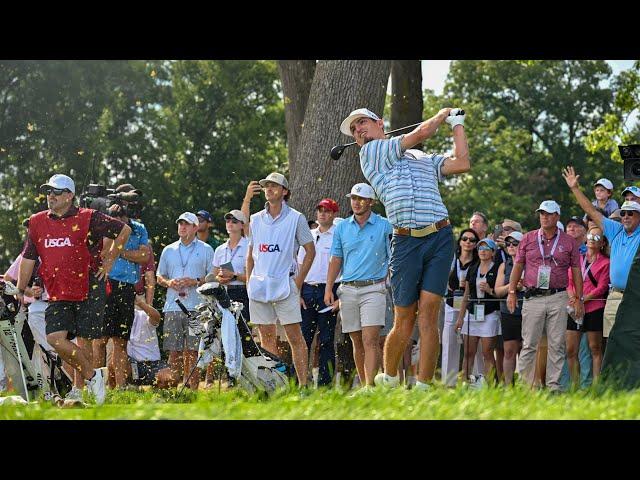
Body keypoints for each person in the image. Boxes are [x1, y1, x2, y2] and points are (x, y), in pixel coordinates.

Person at [340, 107, 470, 390]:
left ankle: (423, 386)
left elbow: (461, 163)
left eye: (361, 122)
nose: (358, 130)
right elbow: (422, 132)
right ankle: (389, 377)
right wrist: (442, 114)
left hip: (439, 236)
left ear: (379, 123)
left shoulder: (420, 156)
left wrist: (457, 124)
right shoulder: (371, 153)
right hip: (406, 242)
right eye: (353, 129)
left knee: (429, 311)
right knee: (404, 318)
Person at [16, 174, 131, 405]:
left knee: (84, 341)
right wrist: (20, 289)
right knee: (55, 339)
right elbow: (28, 257)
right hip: (58, 292)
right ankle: (93, 376)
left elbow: (124, 230)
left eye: (56, 192)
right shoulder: (37, 222)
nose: (51, 196)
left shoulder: (89, 217)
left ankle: (78, 390)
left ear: (69, 195)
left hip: (89, 285)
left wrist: (110, 261)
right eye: (48, 192)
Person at [245, 173, 315, 388]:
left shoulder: (296, 218)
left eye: (275, 186)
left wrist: (298, 282)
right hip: (259, 287)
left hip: (286, 285)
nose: (269, 189)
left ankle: (303, 386)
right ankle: (275, 386)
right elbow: (250, 254)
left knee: (295, 338)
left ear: (285, 191)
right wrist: (249, 283)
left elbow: (310, 251)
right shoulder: (256, 219)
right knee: (266, 339)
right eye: (267, 186)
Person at [506, 199, 583, 392]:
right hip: (532, 297)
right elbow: (518, 265)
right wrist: (512, 291)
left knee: (557, 344)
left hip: (558, 296)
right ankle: (527, 387)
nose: (544, 217)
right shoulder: (528, 238)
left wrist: (579, 298)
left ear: (557, 216)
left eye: (548, 213)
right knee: (529, 344)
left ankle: (554, 386)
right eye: (541, 213)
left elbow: (576, 271)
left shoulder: (568, 241)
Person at [324, 184, 392, 388]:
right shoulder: (342, 227)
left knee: (370, 339)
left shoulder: (385, 225)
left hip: (374, 288)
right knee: (356, 340)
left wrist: (386, 281)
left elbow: (393, 257)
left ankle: (371, 387)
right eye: (354, 198)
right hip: (348, 289)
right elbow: (336, 258)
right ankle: (365, 387)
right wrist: (329, 288)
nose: (356, 202)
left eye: (361, 198)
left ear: (371, 202)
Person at [563, 167, 640, 344]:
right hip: (614, 296)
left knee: (633, 343)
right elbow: (592, 211)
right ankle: (611, 374)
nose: (626, 217)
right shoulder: (616, 230)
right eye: (623, 213)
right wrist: (575, 189)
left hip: (635, 296)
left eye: (631, 213)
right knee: (612, 343)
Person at [95, 197, 151, 388]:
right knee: (100, 340)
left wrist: (119, 252)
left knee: (121, 341)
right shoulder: (105, 226)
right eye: (116, 218)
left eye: (123, 218)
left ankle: (120, 388)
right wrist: (120, 246)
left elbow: (144, 256)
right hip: (107, 284)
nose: (120, 223)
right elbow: (103, 253)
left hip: (127, 289)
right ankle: (97, 386)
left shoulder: (139, 228)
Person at [156, 212, 214, 390]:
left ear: (196, 228)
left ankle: (192, 390)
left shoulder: (206, 249)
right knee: (174, 351)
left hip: (197, 308)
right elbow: (159, 275)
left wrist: (195, 281)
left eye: (187, 224)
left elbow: (213, 277)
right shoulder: (169, 249)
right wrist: (168, 282)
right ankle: (172, 390)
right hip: (173, 307)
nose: (182, 226)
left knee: (193, 351)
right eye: (180, 223)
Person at [299, 198, 340, 387]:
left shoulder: (338, 236)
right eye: (320, 210)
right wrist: (297, 292)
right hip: (306, 290)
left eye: (327, 211)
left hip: (328, 290)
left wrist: (336, 293)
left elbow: (342, 265)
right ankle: (299, 382)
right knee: (303, 339)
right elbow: (300, 266)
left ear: (334, 214)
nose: (323, 213)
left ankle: (325, 385)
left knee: (326, 340)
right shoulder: (308, 235)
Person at [207, 209, 249, 387]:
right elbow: (214, 274)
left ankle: (246, 378)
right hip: (224, 294)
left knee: (243, 335)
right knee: (226, 336)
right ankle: (230, 378)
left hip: (243, 293)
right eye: (228, 220)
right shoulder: (220, 249)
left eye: (234, 220)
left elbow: (252, 276)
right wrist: (221, 278)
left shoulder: (249, 246)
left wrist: (234, 276)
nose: (230, 223)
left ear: (242, 225)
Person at [455, 238, 501, 386]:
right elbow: (466, 295)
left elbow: (499, 293)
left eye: (486, 248)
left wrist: (489, 290)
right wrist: (460, 318)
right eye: (480, 248)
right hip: (472, 314)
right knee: (468, 352)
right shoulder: (473, 268)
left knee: (487, 352)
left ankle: (490, 386)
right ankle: (465, 383)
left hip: (490, 314)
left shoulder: (498, 268)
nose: (483, 251)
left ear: (493, 252)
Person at [566, 226, 609, 383]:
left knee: (595, 348)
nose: (592, 238)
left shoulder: (605, 262)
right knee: (571, 350)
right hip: (575, 308)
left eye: (597, 237)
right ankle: (574, 387)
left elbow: (602, 288)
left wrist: (582, 300)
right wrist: (575, 299)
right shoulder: (578, 258)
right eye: (590, 235)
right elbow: (568, 281)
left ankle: (596, 386)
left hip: (593, 308)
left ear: (603, 243)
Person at [441, 228, 479, 387]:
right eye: (465, 239)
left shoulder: (478, 262)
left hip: (471, 308)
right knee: (449, 344)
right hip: (451, 304)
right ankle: (448, 383)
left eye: (472, 240)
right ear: (460, 241)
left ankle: (475, 381)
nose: (468, 242)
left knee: (473, 347)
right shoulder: (451, 258)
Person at [494, 231, 525, 386]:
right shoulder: (503, 265)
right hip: (508, 312)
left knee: (526, 351)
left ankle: (527, 385)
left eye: (515, 243)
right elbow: (497, 291)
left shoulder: (531, 263)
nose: (511, 246)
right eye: (508, 244)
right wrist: (512, 286)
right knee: (509, 351)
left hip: (528, 311)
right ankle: (507, 387)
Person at [127, 294, 174, 388]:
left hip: (153, 364)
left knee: (167, 376)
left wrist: (140, 303)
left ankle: (157, 396)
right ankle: (124, 391)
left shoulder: (143, 315)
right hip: (132, 364)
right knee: (113, 366)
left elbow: (156, 317)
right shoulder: (118, 320)